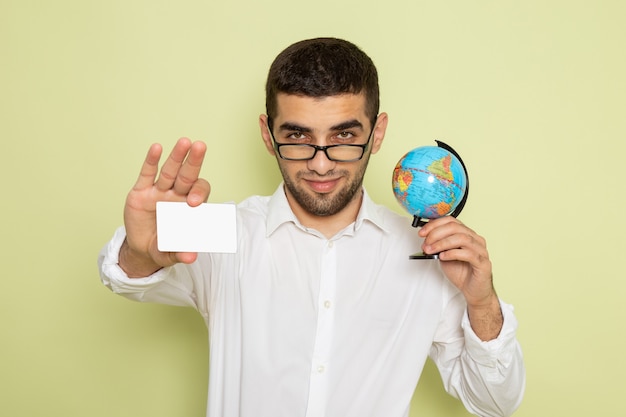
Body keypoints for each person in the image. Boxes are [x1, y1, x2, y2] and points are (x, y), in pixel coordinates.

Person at [98, 37, 525, 417]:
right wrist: (140, 252)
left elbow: (494, 403)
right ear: (268, 135)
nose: (320, 163)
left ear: (377, 134)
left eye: (343, 136)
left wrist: (482, 303)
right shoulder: (225, 232)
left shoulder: (428, 256)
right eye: (298, 136)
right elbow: (127, 279)